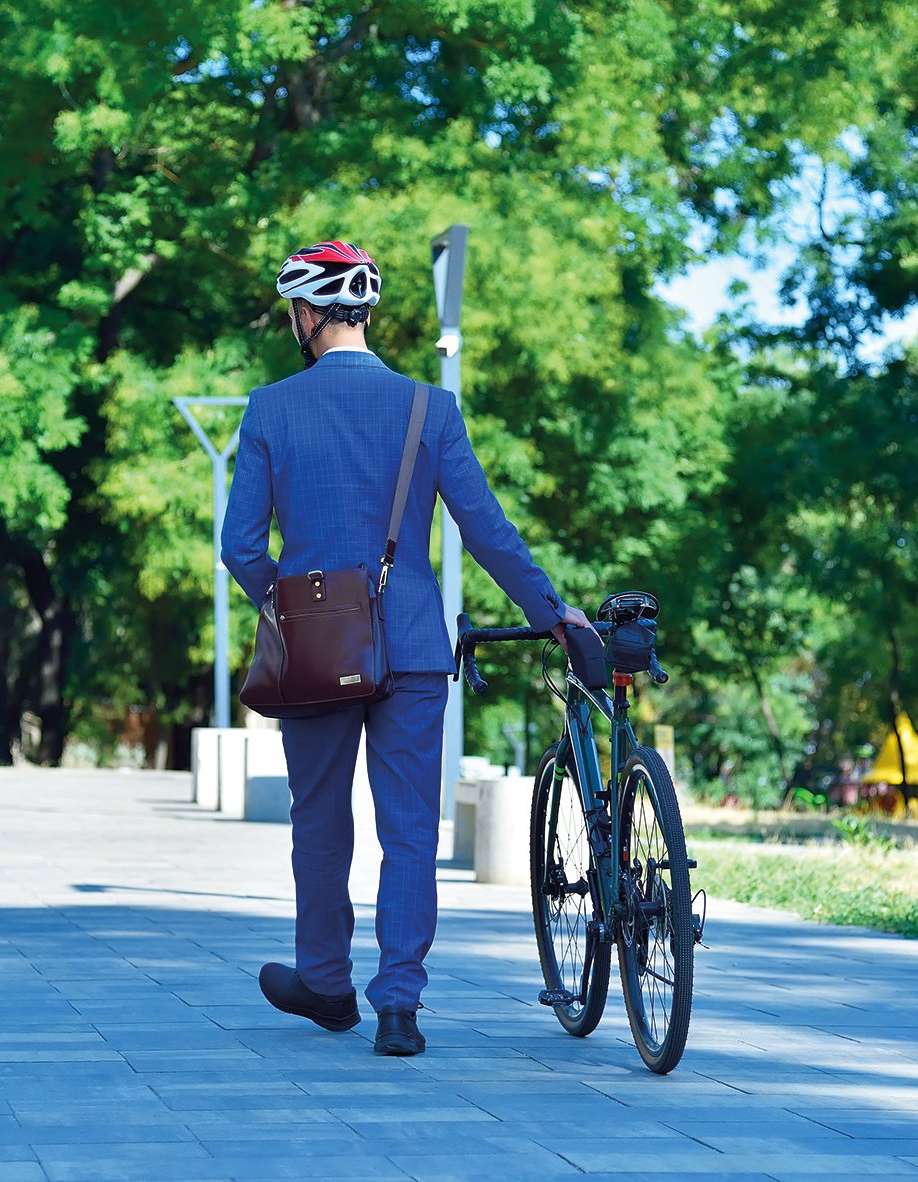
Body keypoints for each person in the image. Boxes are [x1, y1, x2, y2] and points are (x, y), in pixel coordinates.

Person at [221, 240, 588, 1056]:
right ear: (362, 314)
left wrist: (292, 611)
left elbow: (242, 548)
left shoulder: (271, 409)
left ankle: (324, 982)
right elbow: (486, 531)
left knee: (320, 822)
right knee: (410, 829)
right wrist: (554, 610)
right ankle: (399, 1005)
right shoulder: (431, 408)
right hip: (415, 647)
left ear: (307, 315)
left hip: (317, 649)